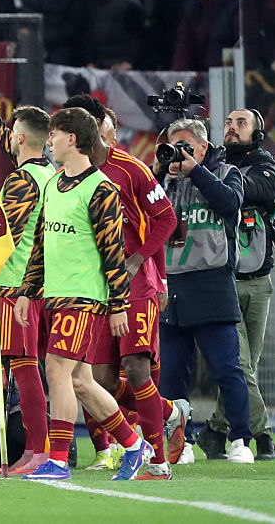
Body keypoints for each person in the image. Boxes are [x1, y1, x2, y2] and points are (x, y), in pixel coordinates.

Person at [15, 107, 150, 481]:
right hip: (56, 295)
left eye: (54, 135)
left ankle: (58, 460)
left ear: (72, 139)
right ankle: (134, 446)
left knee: (56, 368)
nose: (50, 142)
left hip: (84, 297)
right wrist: (28, 290)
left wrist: (119, 304)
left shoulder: (101, 189)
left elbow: (113, 252)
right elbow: (41, 243)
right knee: (81, 382)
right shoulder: (52, 184)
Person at [62, 95, 185, 480]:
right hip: (95, 289)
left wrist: (139, 260)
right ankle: (169, 412)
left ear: (91, 127)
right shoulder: (71, 175)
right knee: (100, 380)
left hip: (134, 287)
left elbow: (167, 219)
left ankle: (157, 462)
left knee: (136, 369)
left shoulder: (131, 169)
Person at [151, 117, 254, 464]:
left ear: (203, 147)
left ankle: (240, 439)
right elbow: (137, 212)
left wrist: (195, 170)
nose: (178, 154)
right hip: (170, 284)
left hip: (212, 282)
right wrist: (157, 172)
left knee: (226, 368)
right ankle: (183, 444)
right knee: (171, 374)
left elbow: (230, 203)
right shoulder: (163, 182)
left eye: (185, 147)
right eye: (172, 147)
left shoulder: (226, 172)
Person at [0, 95, 55, 475]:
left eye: (13, 133)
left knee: (24, 367)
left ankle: (39, 452)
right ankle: (47, 450)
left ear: (21, 138)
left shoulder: (21, 180)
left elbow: (5, 234)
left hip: (16, 286)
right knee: (49, 370)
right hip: (47, 285)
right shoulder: (50, 174)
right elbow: (16, 143)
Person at [199, 110, 275, 461]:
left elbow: (261, 189)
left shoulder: (264, 164)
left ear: (256, 133)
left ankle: (215, 431)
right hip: (225, 282)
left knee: (244, 367)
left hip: (260, 281)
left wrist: (222, 185)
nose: (232, 127)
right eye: (229, 122)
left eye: (241, 123)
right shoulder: (214, 161)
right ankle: (262, 435)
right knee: (240, 365)